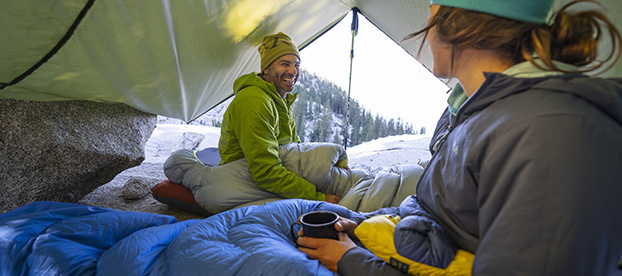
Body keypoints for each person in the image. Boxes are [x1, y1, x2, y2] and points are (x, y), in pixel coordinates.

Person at [295, 0, 622, 275]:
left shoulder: (555, 132)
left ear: (461, 24)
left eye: (431, 12)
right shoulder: (470, 108)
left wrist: (354, 262)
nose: (427, 24)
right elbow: (443, 213)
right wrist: (364, 227)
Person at [218, 32, 341, 203]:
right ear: (266, 69)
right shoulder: (254, 101)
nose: (293, 71)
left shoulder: (279, 100)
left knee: (342, 178)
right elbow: (264, 171)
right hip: (242, 177)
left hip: (274, 172)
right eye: (285, 64)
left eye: (296, 65)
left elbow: (296, 148)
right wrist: (316, 197)